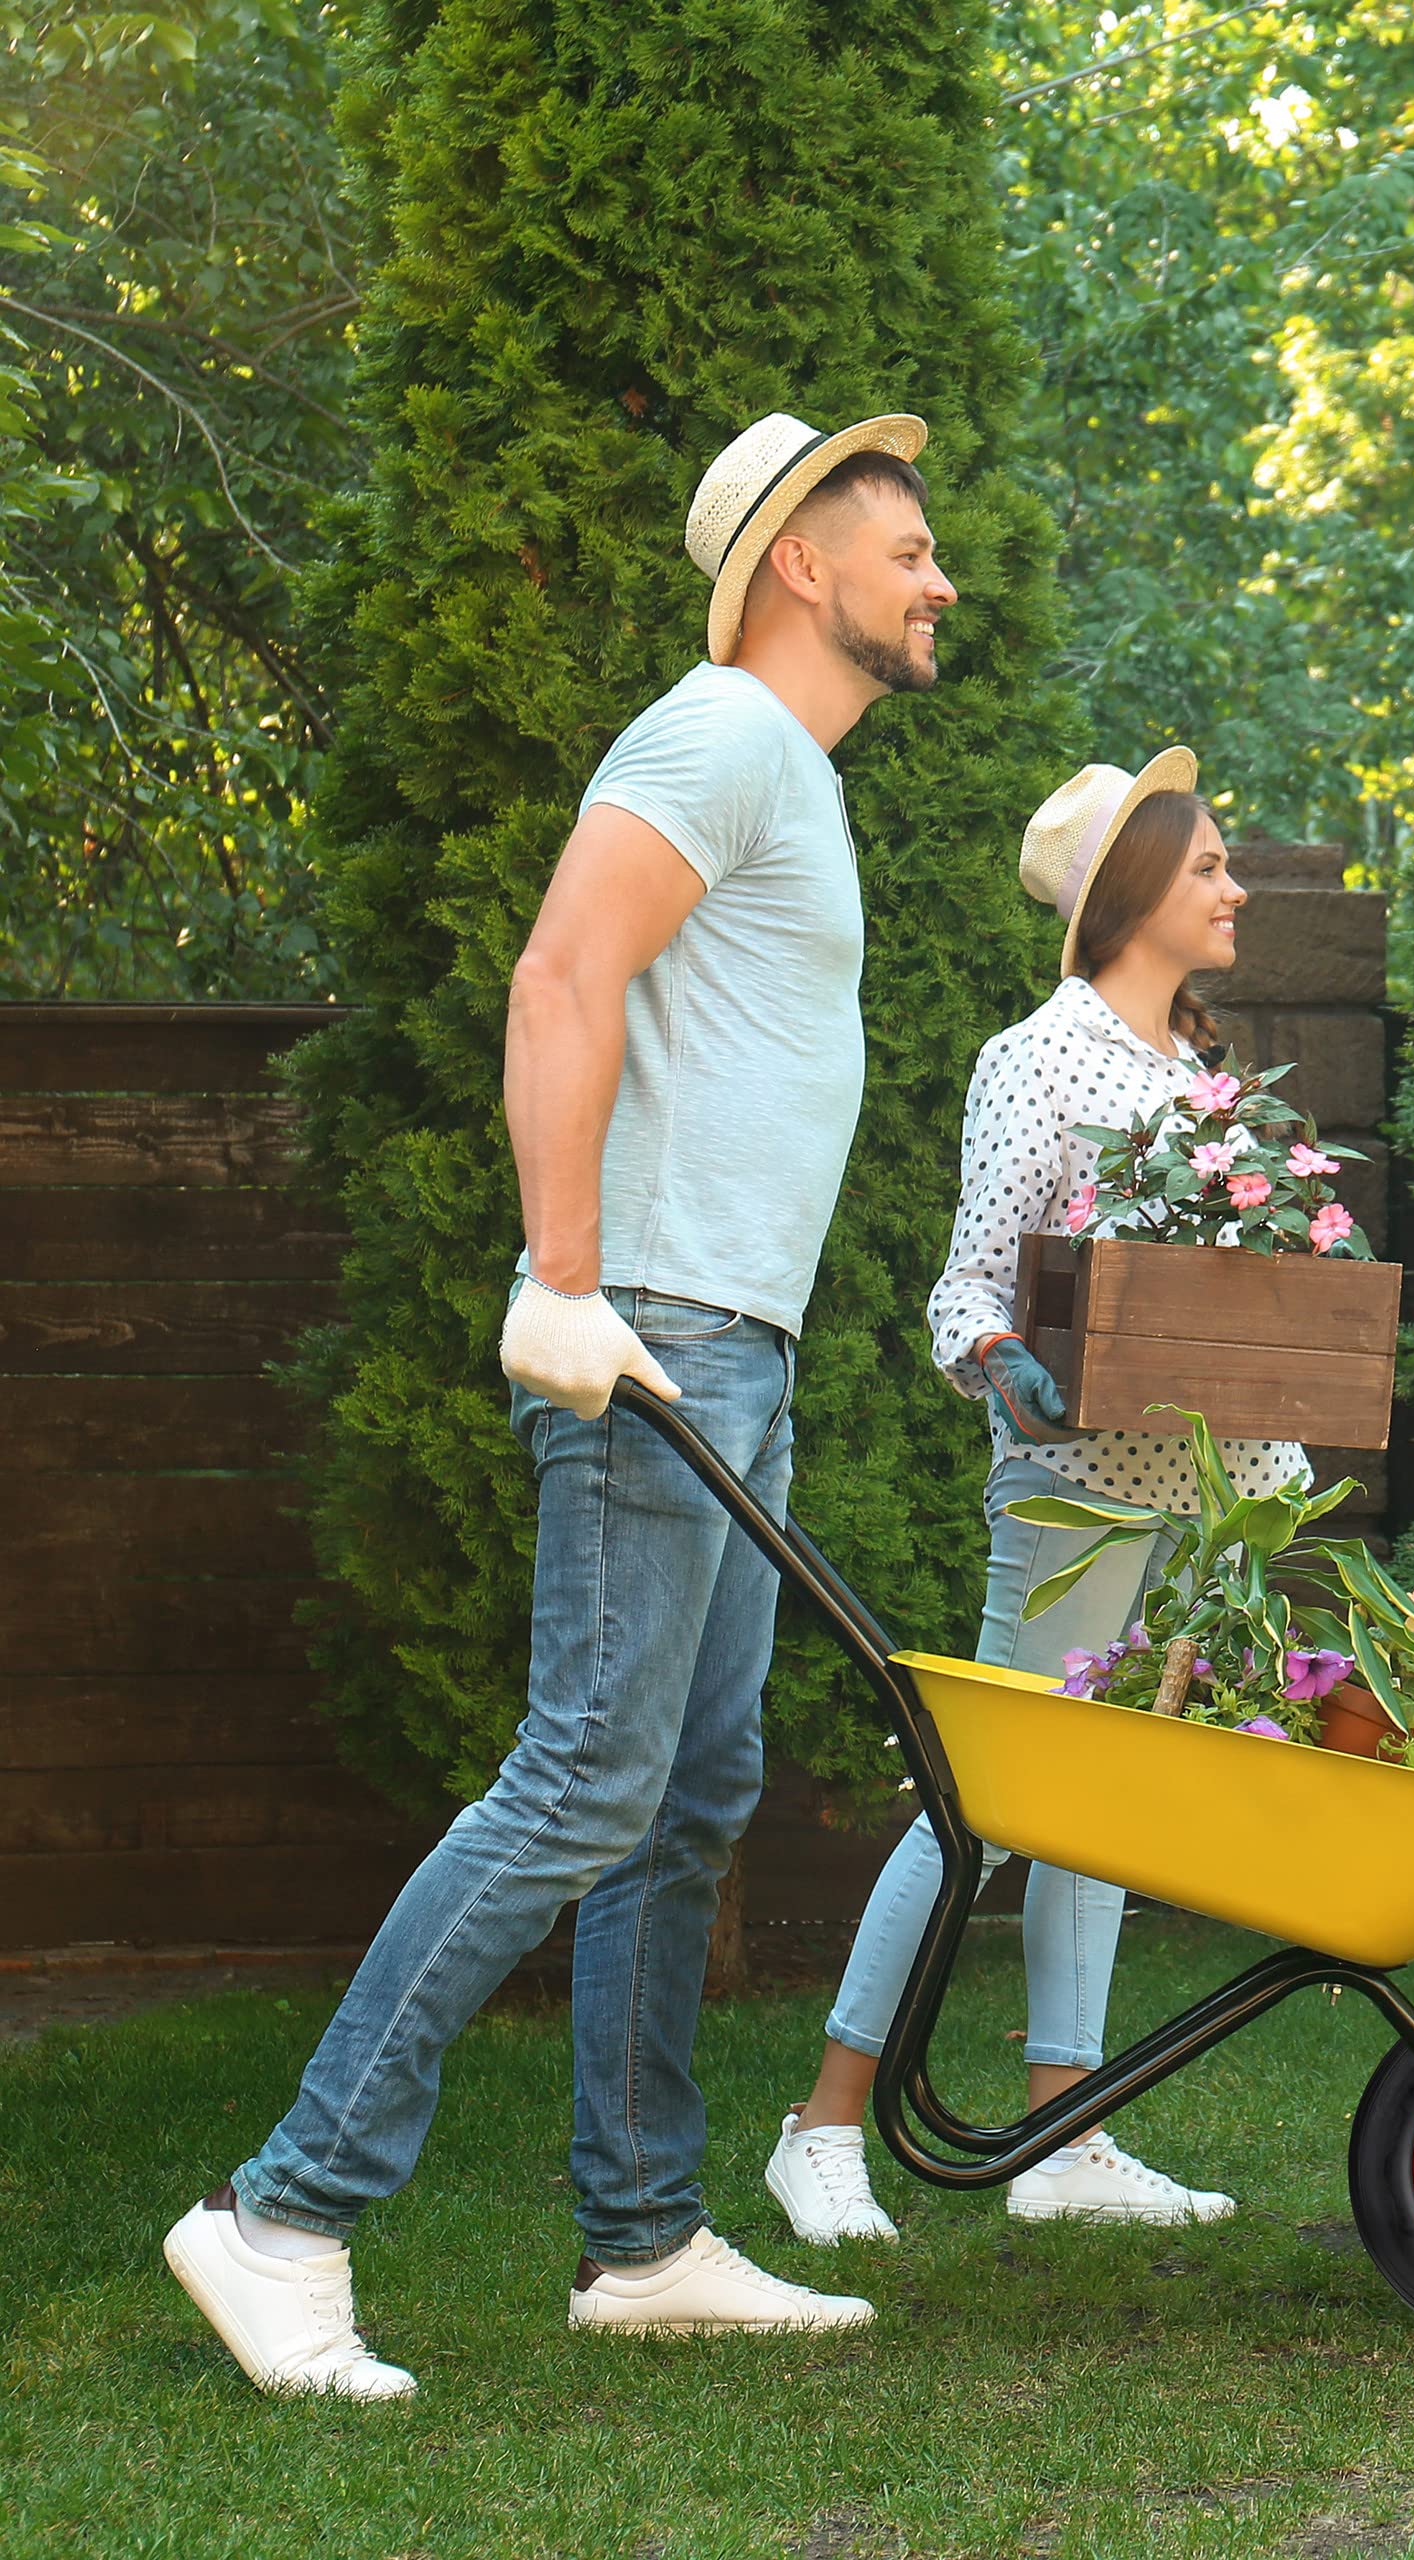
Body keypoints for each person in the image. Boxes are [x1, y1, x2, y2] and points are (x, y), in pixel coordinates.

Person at [164, 410, 954, 2397]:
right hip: (652, 1330)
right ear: (796, 559)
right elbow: (559, 976)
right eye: (908, 546)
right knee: (588, 1778)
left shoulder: (788, 773)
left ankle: (641, 2233)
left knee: (687, 1795)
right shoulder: (713, 734)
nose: (940, 577)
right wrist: (568, 1274)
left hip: (727, 1346)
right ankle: (281, 2213)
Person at [763, 753, 1304, 2243]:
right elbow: (967, 1285)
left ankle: (1065, 2134)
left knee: (1104, 1805)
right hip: (1073, 1495)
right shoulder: (1040, 1059)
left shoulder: (1201, 1079)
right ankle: (820, 2127)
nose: (1234, 888)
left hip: (1195, 1498)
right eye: (1206, 868)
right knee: (985, 1796)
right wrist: (1004, 1362)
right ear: (1134, 890)